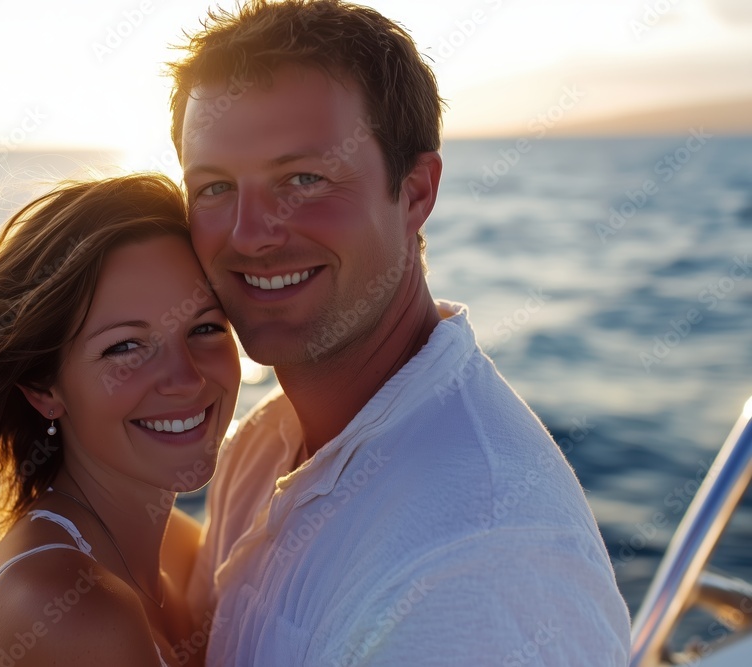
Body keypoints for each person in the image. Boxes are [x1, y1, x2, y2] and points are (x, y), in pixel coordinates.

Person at [169, 1, 632, 664]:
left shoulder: (478, 568)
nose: (248, 234)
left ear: (415, 192)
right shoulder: (265, 442)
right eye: (214, 187)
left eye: (303, 179)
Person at [0, 173, 241, 666]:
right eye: (124, 346)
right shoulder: (66, 608)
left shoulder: (173, 542)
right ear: (43, 388)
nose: (187, 379)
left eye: (206, 327)